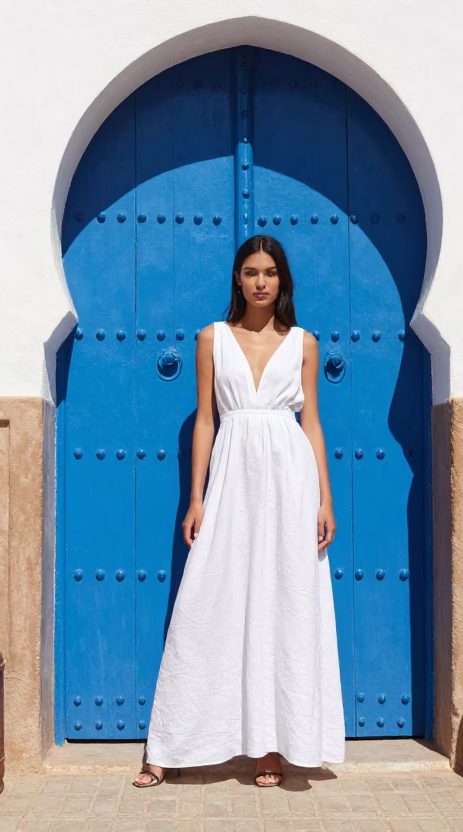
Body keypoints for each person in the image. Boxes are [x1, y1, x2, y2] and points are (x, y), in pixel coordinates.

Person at [133, 235, 345, 789]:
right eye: (250, 272)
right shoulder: (211, 340)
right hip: (230, 479)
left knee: (285, 600)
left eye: (270, 272)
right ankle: (168, 745)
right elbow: (205, 420)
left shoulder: (304, 344)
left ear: (283, 281)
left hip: (289, 481)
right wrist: (196, 496)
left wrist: (325, 497)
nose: (260, 282)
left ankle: (271, 749)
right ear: (237, 279)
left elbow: (312, 423)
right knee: (207, 599)